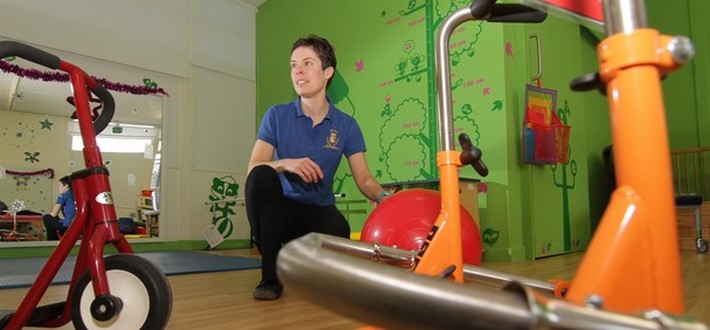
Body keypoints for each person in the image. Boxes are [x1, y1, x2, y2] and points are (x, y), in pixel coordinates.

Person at [245, 35, 391, 300]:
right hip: (277, 212)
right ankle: (270, 278)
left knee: (340, 230)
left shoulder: (347, 125)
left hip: (317, 212)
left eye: (307, 63)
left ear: (327, 72)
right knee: (262, 176)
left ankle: (299, 257)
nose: (297, 71)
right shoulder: (276, 115)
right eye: (293, 65)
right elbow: (254, 167)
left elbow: (365, 179)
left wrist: (385, 199)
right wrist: (286, 163)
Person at [42, 175, 76, 240]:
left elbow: (53, 214)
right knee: (56, 219)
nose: (59, 188)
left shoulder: (63, 195)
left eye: (60, 186)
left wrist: (61, 195)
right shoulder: (76, 193)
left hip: (68, 226)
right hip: (77, 224)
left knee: (46, 217)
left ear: (66, 186)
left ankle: (53, 240)